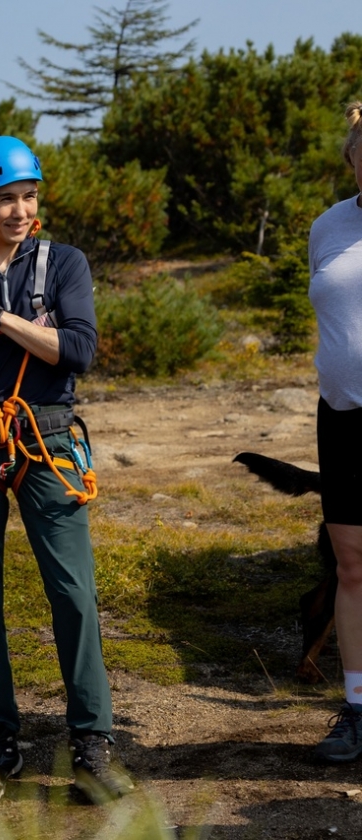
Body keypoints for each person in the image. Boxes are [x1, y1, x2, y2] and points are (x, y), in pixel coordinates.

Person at [0, 136, 130, 807]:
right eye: (5, 199)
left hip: (45, 439)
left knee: (73, 593)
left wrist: (3, 320)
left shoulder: (63, 264)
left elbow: (77, 349)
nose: (20, 210)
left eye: (28, 196)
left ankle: (92, 743)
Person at [308, 100, 362, 765]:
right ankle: (356, 710)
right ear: (351, 158)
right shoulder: (328, 228)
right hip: (343, 418)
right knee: (352, 566)